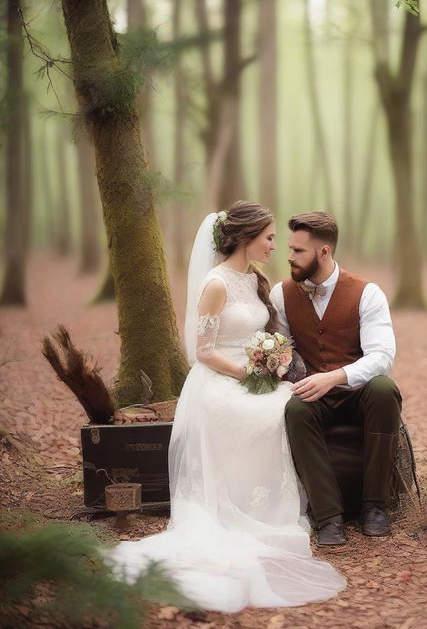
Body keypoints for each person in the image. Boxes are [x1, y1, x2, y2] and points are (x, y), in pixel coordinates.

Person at [107, 201, 345, 612]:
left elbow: (267, 332)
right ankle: (251, 512)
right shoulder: (215, 284)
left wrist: (274, 362)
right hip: (219, 379)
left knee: (288, 403)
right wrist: (252, 375)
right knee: (271, 409)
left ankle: (283, 508)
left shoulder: (254, 280)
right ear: (246, 238)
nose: (276, 246)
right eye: (269, 238)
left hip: (254, 372)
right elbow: (203, 352)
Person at [270, 212, 402, 547]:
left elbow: (382, 356)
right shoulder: (281, 295)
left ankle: (375, 506)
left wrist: (337, 376)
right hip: (315, 396)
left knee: (385, 389)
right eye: (290, 248)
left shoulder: (367, 293)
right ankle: (328, 516)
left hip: (358, 392)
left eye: (299, 251)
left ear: (324, 252)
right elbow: (283, 352)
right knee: (295, 409)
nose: (289, 256)